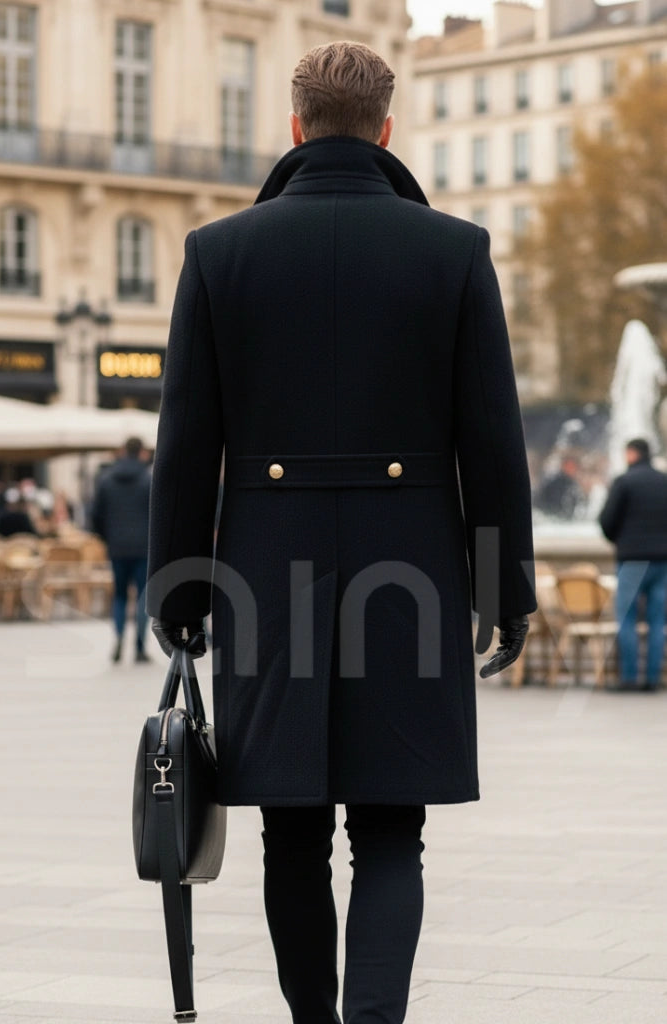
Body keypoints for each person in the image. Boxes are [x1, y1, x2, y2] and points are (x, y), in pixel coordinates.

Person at [147, 41, 536, 1024]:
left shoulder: (219, 253)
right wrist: (507, 594)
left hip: (266, 579)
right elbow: (493, 445)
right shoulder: (453, 251)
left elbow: (186, 444)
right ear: (386, 129)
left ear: (294, 126)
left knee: (291, 834)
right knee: (391, 834)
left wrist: (179, 595)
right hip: (411, 573)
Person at [599, 438, 667, 692]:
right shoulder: (664, 481)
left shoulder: (624, 481)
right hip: (663, 560)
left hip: (633, 560)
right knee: (657, 621)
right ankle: (652, 678)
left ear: (631, 454)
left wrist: (621, 540)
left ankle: (628, 678)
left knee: (626, 617)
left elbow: (607, 521)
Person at [92, 436, 152, 663]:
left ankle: (118, 638)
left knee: (119, 595)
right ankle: (139, 646)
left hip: (117, 547)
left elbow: (96, 515)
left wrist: (108, 537)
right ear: (142, 452)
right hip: (143, 547)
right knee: (142, 597)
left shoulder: (106, 480)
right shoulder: (148, 479)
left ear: (122, 451)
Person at [534, 454, 585, 520]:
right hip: (551, 518)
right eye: (568, 466)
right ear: (563, 466)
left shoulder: (575, 485)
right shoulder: (553, 482)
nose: (571, 469)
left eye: (573, 467)